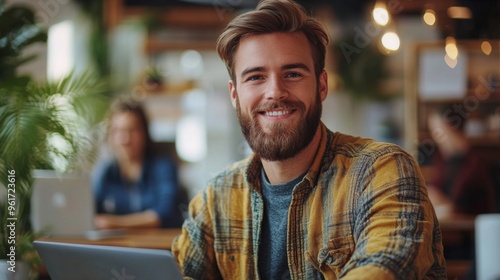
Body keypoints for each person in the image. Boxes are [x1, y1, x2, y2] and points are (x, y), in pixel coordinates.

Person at [172, 0, 446, 279]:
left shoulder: (381, 171)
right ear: (234, 95)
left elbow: (385, 267)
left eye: (292, 74)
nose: (275, 92)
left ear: (322, 85)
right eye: (256, 77)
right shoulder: (216, 197)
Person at [92, 98, 183, 229]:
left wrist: (115, 223)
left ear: (144, 134)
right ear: (111, 136)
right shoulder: (106, 171)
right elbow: (91, 211)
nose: (125, 139)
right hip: (117, 246)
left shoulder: (163, 167)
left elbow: (163, 214)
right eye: (118, 131)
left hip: (159, 245)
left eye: (132, 130)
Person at [425, 110, 496, 217]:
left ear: (453, 128)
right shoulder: (442, 160)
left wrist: (445, 203)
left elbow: (463, 205)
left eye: (438, 131)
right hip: (451, 223)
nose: (435, 138)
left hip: (470, 226)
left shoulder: (476, 163)